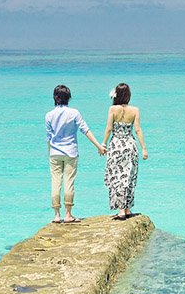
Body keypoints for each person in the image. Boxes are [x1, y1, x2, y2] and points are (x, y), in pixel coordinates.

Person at [45, 85, 105, 224]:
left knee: (55, 182)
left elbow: (48, 137)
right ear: (69, 98)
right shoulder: (74, 113)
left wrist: (50, 153)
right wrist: (98, 146)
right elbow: (85, 130)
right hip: (71, 152)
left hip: (55, 153)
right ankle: (68, 214)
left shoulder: (49, 115)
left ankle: (56, 215)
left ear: (55, 97)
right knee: (69, 182)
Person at [102, 83, 148, 220]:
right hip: (130, 144)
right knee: (129, 176)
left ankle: (121, 210)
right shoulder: (135, 110)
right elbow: (138, 129)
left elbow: (109, 129)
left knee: (117, 176)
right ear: (128, 95)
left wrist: (103, 144)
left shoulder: (112, 109)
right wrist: (144, 148)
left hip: (116, 144)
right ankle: (127, 209)